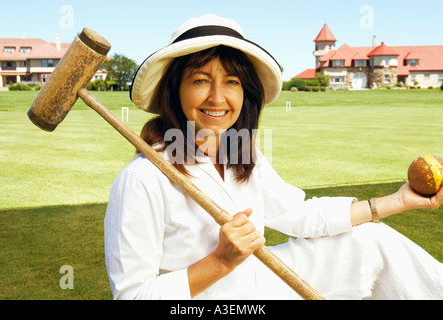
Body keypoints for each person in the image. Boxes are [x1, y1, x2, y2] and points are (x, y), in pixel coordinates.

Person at [104, 14, 443, 300]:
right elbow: (133, 296)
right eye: (200, 80)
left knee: (369, 239)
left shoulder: (241, 153)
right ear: (175, 90)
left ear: (245, 92)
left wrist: (398, 201)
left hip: (258, 286)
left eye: (232, 81)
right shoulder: (141, 180)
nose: (217, 97)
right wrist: (220, 261)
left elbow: (298, 215)